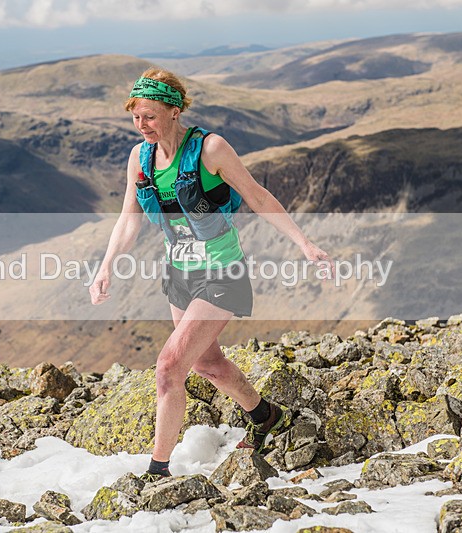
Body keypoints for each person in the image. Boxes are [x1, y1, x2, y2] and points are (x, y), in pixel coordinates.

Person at [89, 67, 334, 480]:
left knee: (169, 367)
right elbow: (128, 218)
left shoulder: (211, 150)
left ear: (174, 110)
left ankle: (157, 471)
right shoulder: (140, 157)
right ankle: (266, 416)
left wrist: (303, 243)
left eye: (149, 115)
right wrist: (106, 266)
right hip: (179, 276)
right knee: (207, 363)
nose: (141, 125)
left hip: (222, 274)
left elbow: (257, 196)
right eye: (135, 116)